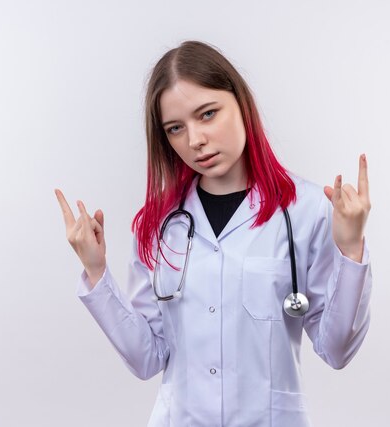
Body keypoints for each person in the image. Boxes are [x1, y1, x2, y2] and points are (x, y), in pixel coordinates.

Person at [54, 40, 372, 427]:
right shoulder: (158, 225)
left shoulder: (305, 211)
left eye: (207, 114)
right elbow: (146, 359)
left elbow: (336, 349)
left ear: (241, 103)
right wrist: (96, 273)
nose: (194, 141)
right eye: (175, 128)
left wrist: (351, 247)